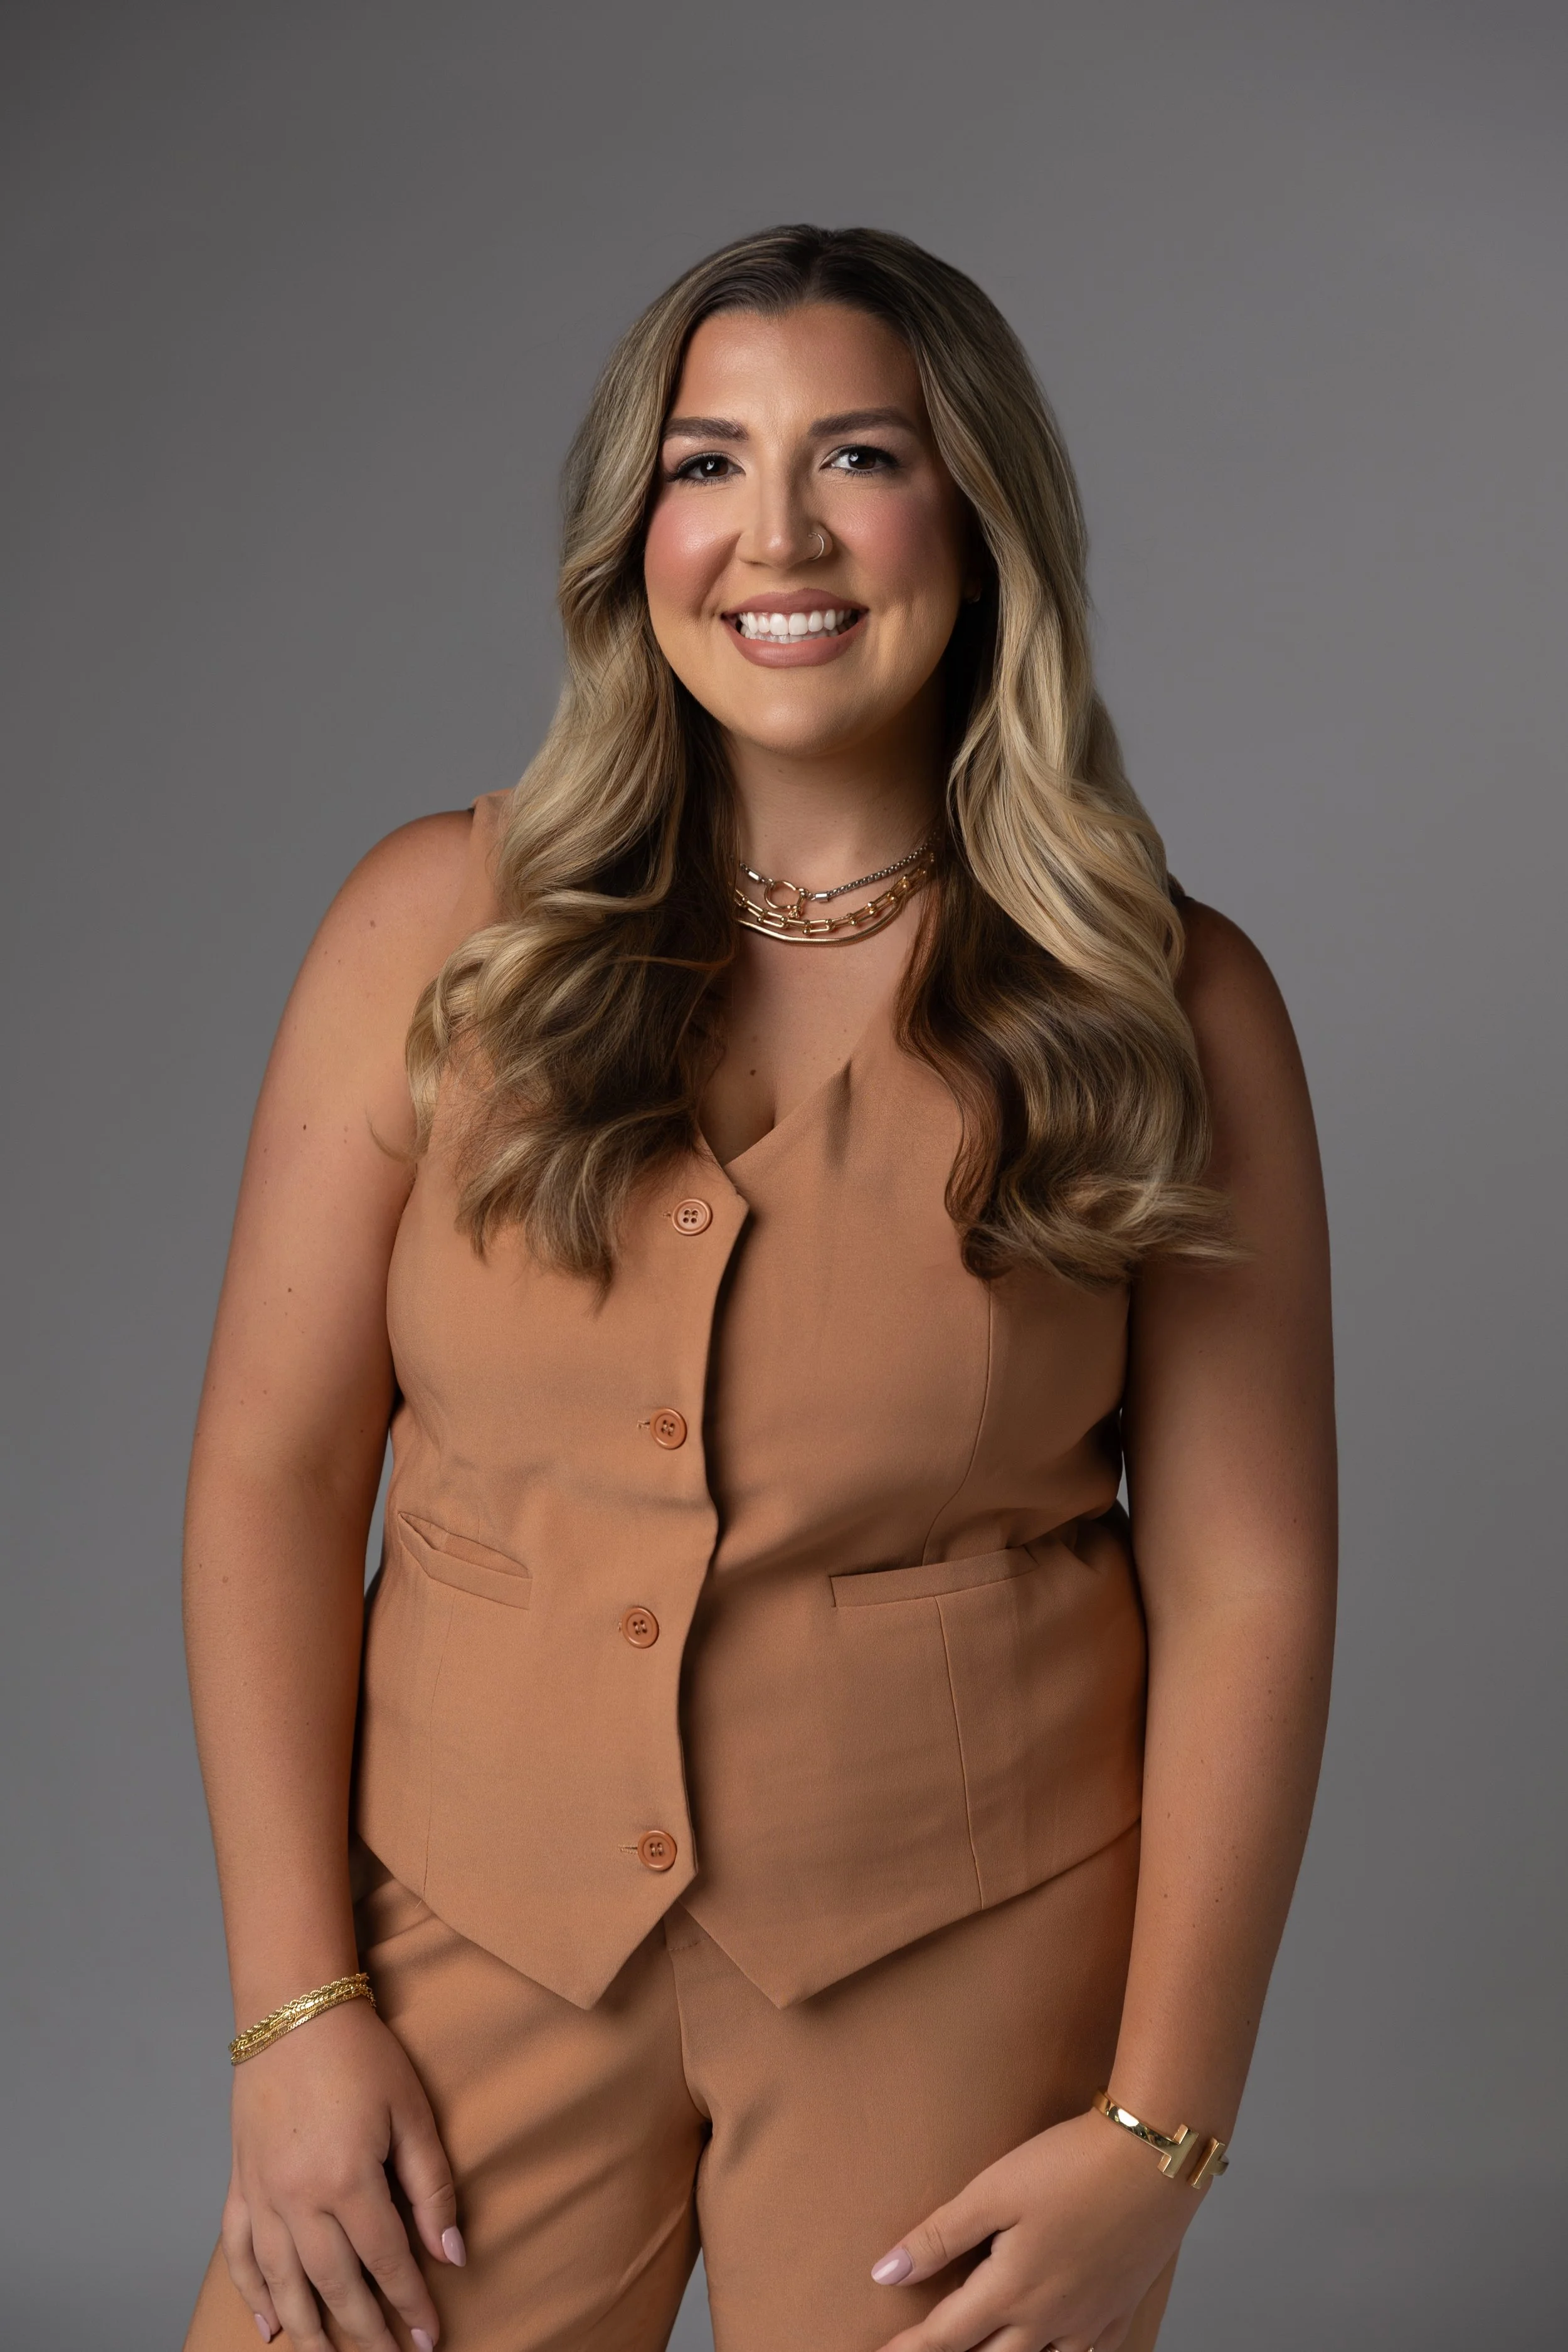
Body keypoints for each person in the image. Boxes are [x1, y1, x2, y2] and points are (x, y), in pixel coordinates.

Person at [181, 225, 1336, 2352]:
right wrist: (292, 2012)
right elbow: (270, 1468)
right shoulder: (428, 926)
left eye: (860, 457)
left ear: (975, 519)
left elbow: (1250, 1579)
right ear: (638, 530)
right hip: (463, 1940)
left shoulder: (1169, 995)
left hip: (960, 1952)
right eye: (707, 462)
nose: (774, 533)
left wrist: (1161, 2130)